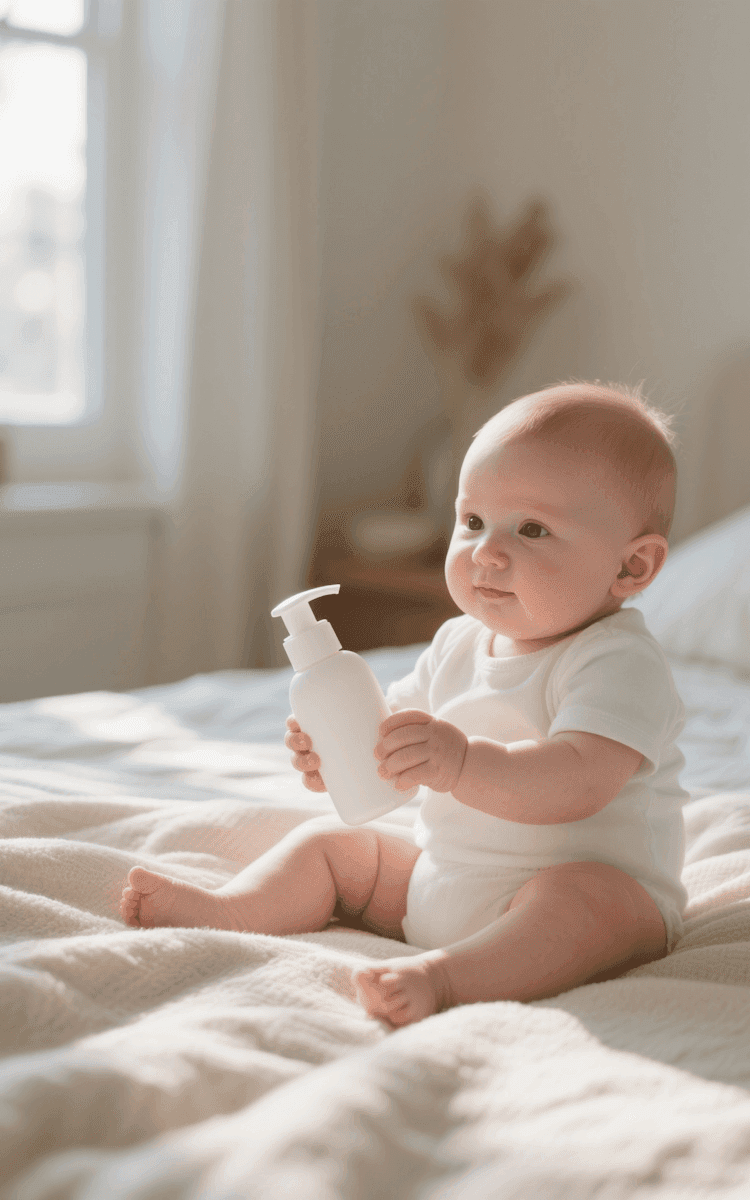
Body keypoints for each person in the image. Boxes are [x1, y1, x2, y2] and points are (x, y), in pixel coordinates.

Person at [121, 382, 688, 1027]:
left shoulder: (616, 660)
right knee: (334, 847)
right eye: (472, 522)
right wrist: (336, 751)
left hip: (580, 897)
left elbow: (577, 781)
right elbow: (390, 739)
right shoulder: (455, 643)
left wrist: (462, 766)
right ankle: (227, 912)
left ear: (632, 569)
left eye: (532, 529)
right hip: (443, 885)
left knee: (584, 901)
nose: (485, 552)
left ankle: (445, 979)